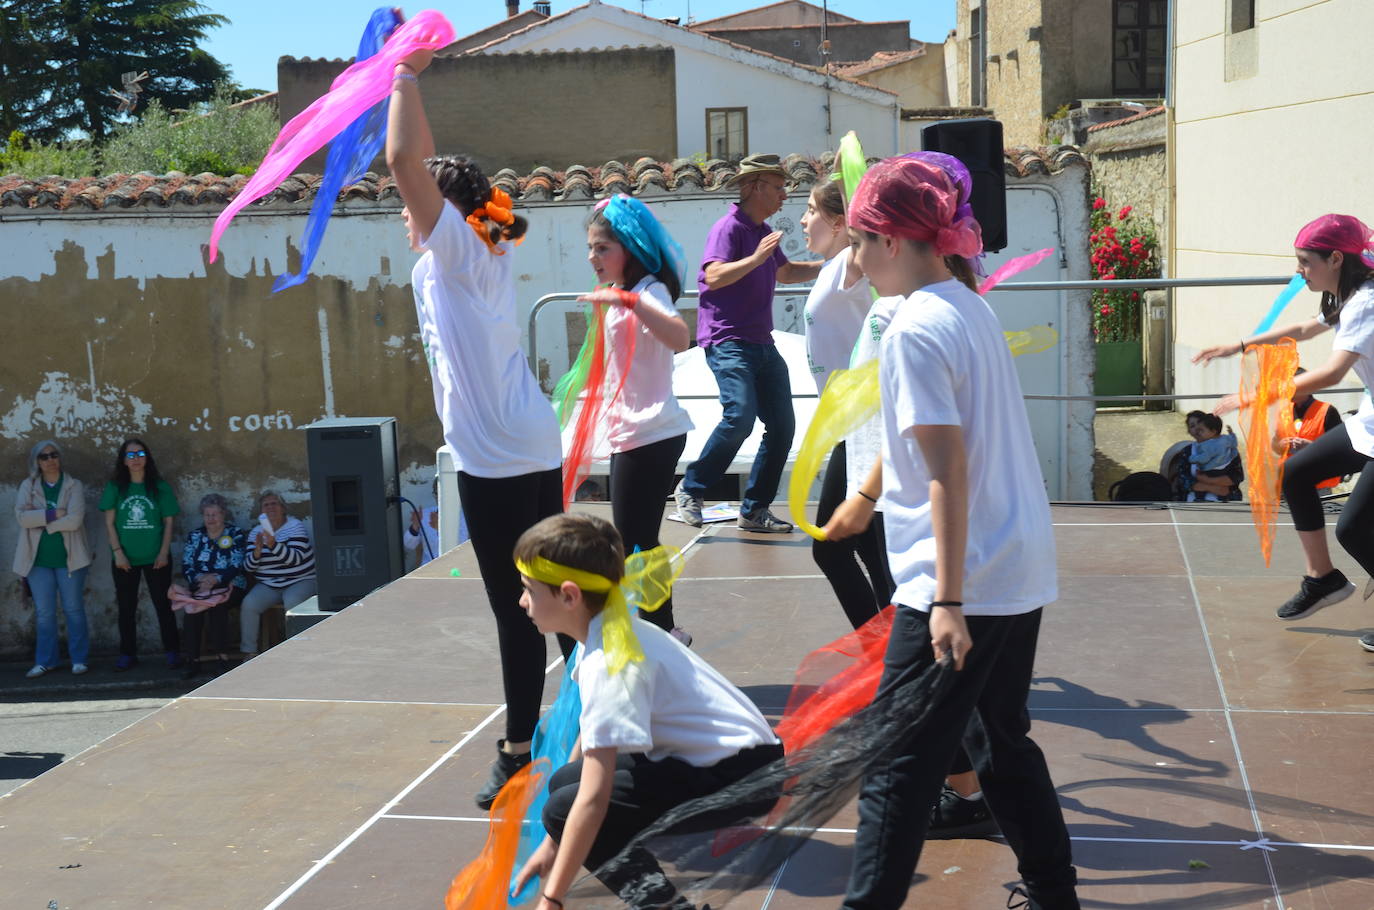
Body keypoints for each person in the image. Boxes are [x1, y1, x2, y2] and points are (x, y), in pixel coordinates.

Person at [823, 157, 1079, 909]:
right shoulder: (966, 306)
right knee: (998, 740)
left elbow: (947, 470)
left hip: (963, 577)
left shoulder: (913, 328)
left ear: (895, 242)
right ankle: (1053, 892)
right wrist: (868, 497)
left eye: (862, 241)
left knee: (899, 761)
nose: (857, 259)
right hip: (1015, 560)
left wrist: (945, 600)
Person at [386, 46, 567, 809]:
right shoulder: (471, 253)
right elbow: (417, 169)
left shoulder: (460, 248)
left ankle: (520, 750)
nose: (403, 215)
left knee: (523, 607)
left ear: (442, 208)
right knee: (563, 596)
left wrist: (403, 75)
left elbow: (404, 157)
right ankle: (619, 705)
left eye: (413, 205)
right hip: (525, 441)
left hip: (497, 458)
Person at [510, 513, 783, 910]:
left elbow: (592, 800)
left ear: (569, 596)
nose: (522, 602)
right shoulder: (608, 626)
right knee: (566, 785)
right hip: (731, 760)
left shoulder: (610, 661)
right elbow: (592, 737)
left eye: (529, 590)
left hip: (741, 777)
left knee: (567, 806)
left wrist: (553, 897)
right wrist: (553, 844)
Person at [1195, 213, 1374, 629]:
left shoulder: (1366, 303)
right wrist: (1237, 345)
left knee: (1353, 529)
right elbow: (1303, 328)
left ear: (1334, 259)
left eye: (1304, 261)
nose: (1299, 270)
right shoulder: (1353, 294)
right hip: (1369, 424)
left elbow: (1330, 375)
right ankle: (1323, 579)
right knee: (1295, 473)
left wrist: (1254, 396)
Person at [674, 153, 825, 533]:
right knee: (739, 416)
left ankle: (755, 510)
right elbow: (714, 276)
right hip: (728, 342)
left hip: (761, 343)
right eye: (778, 187)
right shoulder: (729, 227)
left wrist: (836, 263)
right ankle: (690, 488)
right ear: (756, 187)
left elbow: (787, 273)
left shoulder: (762, 232)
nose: (784, 195)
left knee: (783, 426)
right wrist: (757, 259)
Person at [580, 194, 694, 644]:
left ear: (629, 247)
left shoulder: (649, 292)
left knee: (634, 542)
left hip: (652, 432)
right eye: (591, 248)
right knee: (638, 541)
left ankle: (663, 630)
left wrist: (628, 300)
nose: (593, 257)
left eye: (602, 248)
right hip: (633, 431)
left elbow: (680, 337)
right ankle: (663, 629)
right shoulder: (626, 294)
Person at [799, 174, 894, 631]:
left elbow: (863, 222)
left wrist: (853, 172)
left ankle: (890, 656)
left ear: (841, 224)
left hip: (863, 427)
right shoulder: (829, 269)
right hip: (846, 427)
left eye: (812, 210)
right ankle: (894, 654)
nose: (802, 220)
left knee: (842, 548)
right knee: (864, 550)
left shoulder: (849, 265)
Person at [100, 437, 180, 671]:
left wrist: (164, 552)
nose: (136, 459)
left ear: (147, 458)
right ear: (124, 460)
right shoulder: (115, 487)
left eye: (140, 454)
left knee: (164, 606)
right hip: (125, 559)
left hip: (157, 557)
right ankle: (128, 654)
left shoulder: (159, 486)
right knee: (126, 608)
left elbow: (168, 522)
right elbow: (109, 523)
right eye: (130, 455)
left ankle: (172, 651)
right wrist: (118, 552)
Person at [12, 440, 91, 677]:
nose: (50, 460)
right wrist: (54, 514)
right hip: (37, 561)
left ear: (59, 457)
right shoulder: (29, 485)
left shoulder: (73, 485)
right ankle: (46, 660)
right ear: (37, 461)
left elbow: (75, 520)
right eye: (44, 456)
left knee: (73, 609)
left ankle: (79, 659)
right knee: (45, 613)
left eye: (53, 455)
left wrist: (45, 525)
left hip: (70, 559)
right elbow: (22, 518)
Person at [175, 493, 246, 679]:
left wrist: (215, 580)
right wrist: (200, 581)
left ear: (223, 515)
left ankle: (222, 658)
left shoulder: (235, 534)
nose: (211, 519)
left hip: (230, 585)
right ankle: (193, 661)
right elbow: (186, 565)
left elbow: (237, 564)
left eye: (215, 514)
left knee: (218, 608)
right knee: (192, 611)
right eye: (207, 515)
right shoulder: (195, 536)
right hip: (201, 587)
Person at [240, 489, 317, 656]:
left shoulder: (294, 527)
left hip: (300, 580)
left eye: (274, 503)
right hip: (270, 584)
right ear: (261, 512)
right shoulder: (256, 532)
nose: (270, 508)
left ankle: (298, 651)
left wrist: (273, 545)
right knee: (249, 604)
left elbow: (295, 559)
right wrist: (257, 551)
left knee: (292, 601)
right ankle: (249, 653)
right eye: (266, 505)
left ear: (283, 508)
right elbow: (248, 567)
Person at [1274, 368, 1343, 489]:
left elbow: (1340, 450)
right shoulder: (1284, 412)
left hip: (1318, 485)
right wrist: (1280, 445)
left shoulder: (1327, 411)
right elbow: (1274, 445)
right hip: (1288, 481)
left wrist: (1311, 447)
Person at [1180, 411, 1239, 502]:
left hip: (1226, 502)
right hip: (1194, 502)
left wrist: (1205, 480)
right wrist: (1213, 488)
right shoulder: (1187, 451)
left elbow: (1237, 477)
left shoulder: (1227, 448)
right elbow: (1183, 480)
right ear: (1189, 431)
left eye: (1200, 424)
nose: (1197, 429)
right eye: (1192, 426)